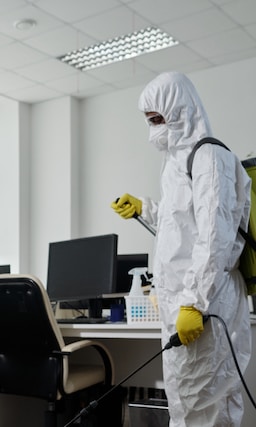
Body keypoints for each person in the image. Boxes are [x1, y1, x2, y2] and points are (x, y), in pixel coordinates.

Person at [112, 71, 252, 426]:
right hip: (180, 306)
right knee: (186, 405)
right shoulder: (175, 164)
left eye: (158, 120)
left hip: (207, 305)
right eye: (149, 121)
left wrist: (196, 303)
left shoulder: (211, 158)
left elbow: (214, 239)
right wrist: (146, 209)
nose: (153, 131)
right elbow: (182, 230)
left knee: (210, 407)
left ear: (181, 110)